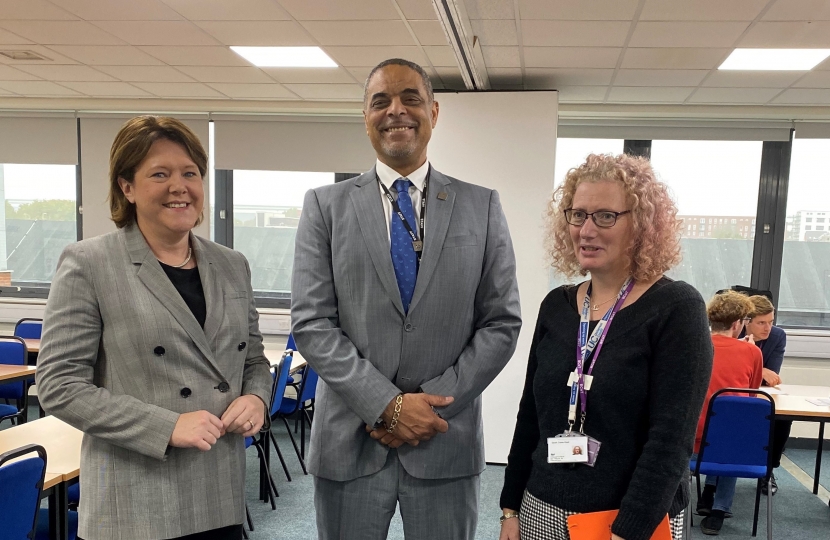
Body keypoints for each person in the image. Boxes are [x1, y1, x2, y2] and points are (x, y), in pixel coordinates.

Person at [291, 58, 522, 540]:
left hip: (444, 442)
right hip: (350, 441)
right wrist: (388, 405)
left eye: (410, 98)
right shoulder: (324, 207)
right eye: (381, 101)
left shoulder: (481, 206)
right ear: (365, 116)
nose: (396, 111)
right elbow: (313, 323)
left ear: (434, 113)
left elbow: (500, 323)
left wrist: (429, 409)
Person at [36, 116, 273, 540]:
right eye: (159, 174)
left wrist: (256, 397)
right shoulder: (89, 263)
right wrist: (165, 426)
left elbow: (253, 357)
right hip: (136, 505)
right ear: (126, 187)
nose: (179, 187)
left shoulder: (231, 264)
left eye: (190, 173)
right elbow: (58, 385)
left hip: (219, 492)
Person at [500, 153, 713, 540]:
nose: (586, 230)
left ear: (643, 224)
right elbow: (531, 414)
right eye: (578, 214)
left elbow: (671, 440)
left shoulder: (677, 309)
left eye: (605, 216)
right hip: (541, 507)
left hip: (630, 518)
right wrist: (509, 507)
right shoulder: (557, 305)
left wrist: (628, 530)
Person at [694, 290, 763, 535]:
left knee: (715, 424)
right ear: (737, 324)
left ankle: (708, 490)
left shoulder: (693, 344)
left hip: (691, 442)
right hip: (728, 445)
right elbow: (752, 398)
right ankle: (719, 510)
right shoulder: (752, 352)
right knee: (734, 426)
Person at [743, 294, 789, 495]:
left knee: (782, 418)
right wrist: (757, 366)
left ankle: (768, 470)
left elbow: (772, 376)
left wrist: (757, 369)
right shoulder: (731, 332)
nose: (767, 328)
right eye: (761, 322)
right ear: (746, 322)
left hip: (761, 394)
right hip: (735, 393)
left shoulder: (778, 336)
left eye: (770, 322)